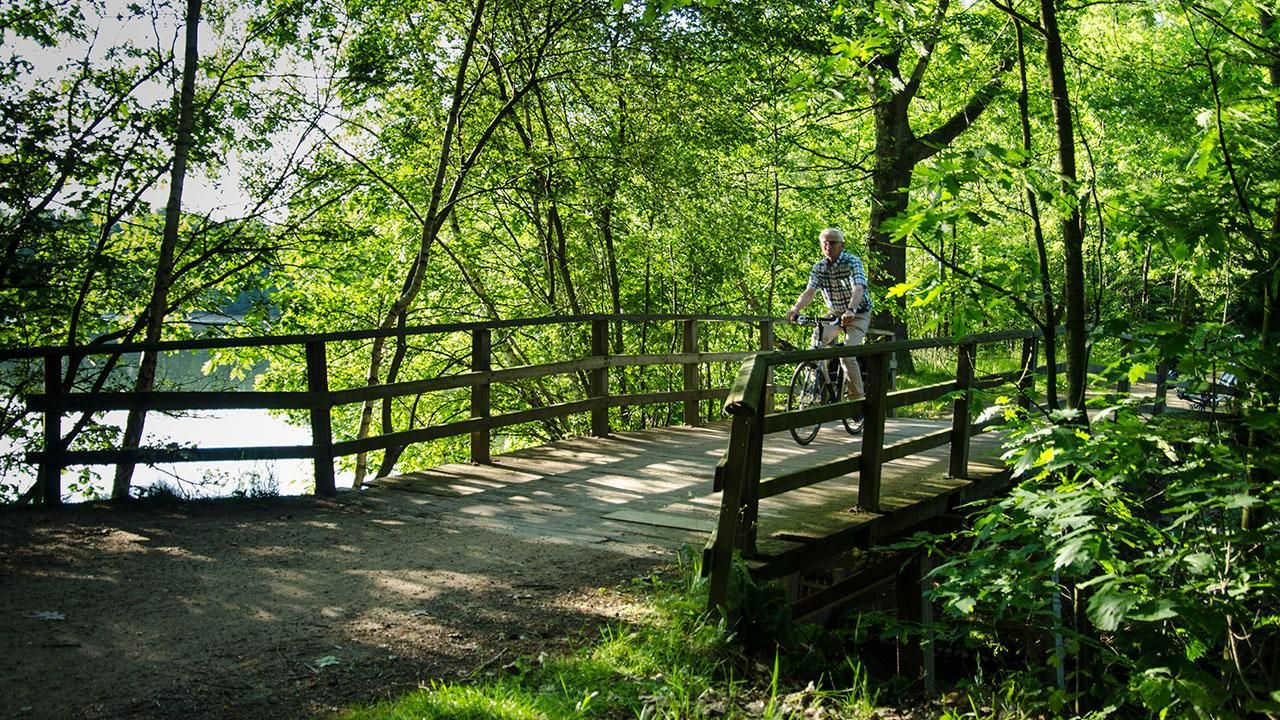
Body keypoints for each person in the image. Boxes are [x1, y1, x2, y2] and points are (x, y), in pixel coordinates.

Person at [785, 227, 874, 400]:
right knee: (816, 343)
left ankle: (857, 399)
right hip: (835, 313)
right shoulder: (820, 267)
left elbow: (858, 288)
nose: (828, 246)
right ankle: (814, 388)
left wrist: (851, 310)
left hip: (858, 313)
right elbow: (810, 291)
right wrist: (796, 309)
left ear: (842, 245)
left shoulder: (852, 262)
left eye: (832, 243)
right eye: (824, 243)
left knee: (847, 354)